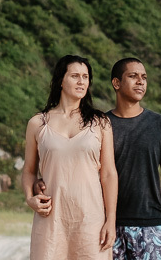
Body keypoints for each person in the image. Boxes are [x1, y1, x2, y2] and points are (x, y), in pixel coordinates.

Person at [36, 57, 161, 259]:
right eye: (133, 76)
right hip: (107, 223)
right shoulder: (98, 124)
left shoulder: (159, 124)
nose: (140, 81)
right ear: (116, 83)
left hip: (151, 222)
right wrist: (40, 182)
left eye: (144, 77)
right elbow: (76, 163)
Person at [23, 54, 118, 260]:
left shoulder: (100, 123)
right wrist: (30, 198)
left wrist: (111, 220)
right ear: (60, 80)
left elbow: (109, 174)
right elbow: (29, 170)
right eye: (75, 76)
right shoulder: (38, 123)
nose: (82, 81)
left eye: (85, 77)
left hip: (91, 220)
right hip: (50, 219)